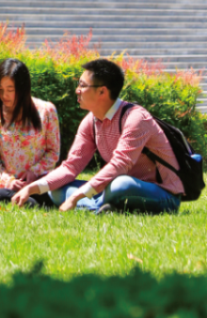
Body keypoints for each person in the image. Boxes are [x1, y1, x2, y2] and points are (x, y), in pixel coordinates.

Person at [12, 58, 184, 214]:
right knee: (56, 188)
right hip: (111, 188)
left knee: (120, 185)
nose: (77, 90)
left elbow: (120, 165)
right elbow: (71, 166)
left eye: (82, 85)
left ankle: (92, 206)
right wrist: (31, 188)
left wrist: (76, 196)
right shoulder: (91, 122)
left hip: (162, 194)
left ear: (102, 92)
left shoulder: (136, 118)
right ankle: (105, 207)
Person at [0, 58, 60, 207]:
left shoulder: (47, 111)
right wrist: (8, 181)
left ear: (23, 88)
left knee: (48, 193)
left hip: (38, 183)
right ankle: (27, 202)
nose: (4, 95)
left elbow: (53, 152)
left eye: (10, 90)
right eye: (1, 90)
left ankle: (28, 201)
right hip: (9, 187)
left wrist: (34, 172)